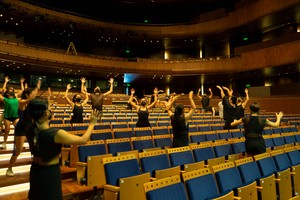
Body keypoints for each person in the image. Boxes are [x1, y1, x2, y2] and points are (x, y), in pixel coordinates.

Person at [25, 98, 100, 200]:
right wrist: (92, 123)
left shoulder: (30, 129)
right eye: (49, 109)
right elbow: (83, 140)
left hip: (35, 171)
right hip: (49, 173)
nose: (52, 111)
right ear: (45, 114)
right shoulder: (55, 134)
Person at [6, 79, 41, 177]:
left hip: (29, 128)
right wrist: (37, 88)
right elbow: (30, 99)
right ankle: (9, 168)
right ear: (27, 95)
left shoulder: (30, 104)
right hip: (21, 129)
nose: (32, 96)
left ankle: (36, 167)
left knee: (34, 147)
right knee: (18, 151)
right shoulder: (21, 102)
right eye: (31, 94)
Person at [0, 76, 24, 149]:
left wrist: (21, 83)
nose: (11, 90)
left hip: (15, 116)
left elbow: (22, 90)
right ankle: (4, 143)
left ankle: (18, 144)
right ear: (7, 92)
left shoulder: (16, 97)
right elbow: (3, 90)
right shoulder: (5, 98)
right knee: (7, 130)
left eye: (12, 90)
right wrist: (5, 82)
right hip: (7, 116)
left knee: (18, 129)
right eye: (10, 90)